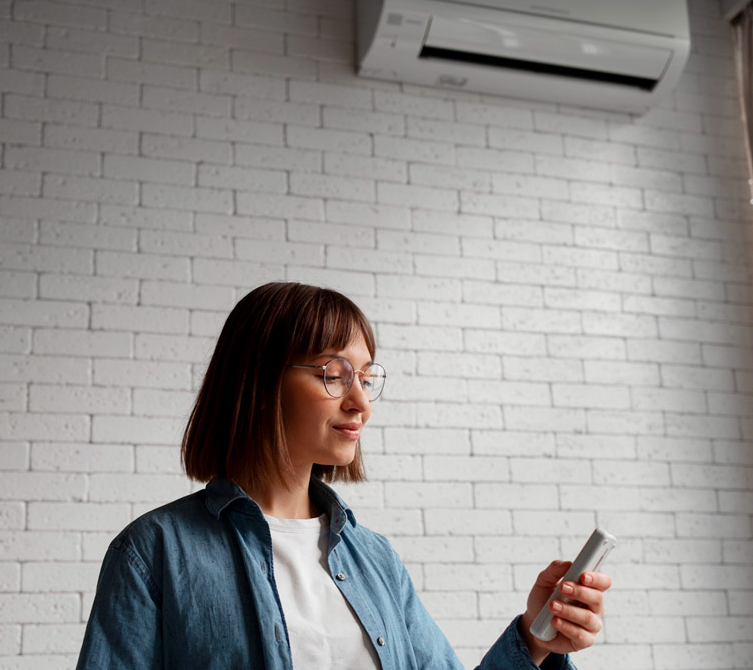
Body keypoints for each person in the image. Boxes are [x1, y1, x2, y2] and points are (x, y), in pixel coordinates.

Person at [75, 282, 612, 669]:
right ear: (258, 381)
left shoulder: (373, 559)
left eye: (367, 376)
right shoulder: (154, 554)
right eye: (334, 374)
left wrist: (534, 639)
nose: (361, 402)